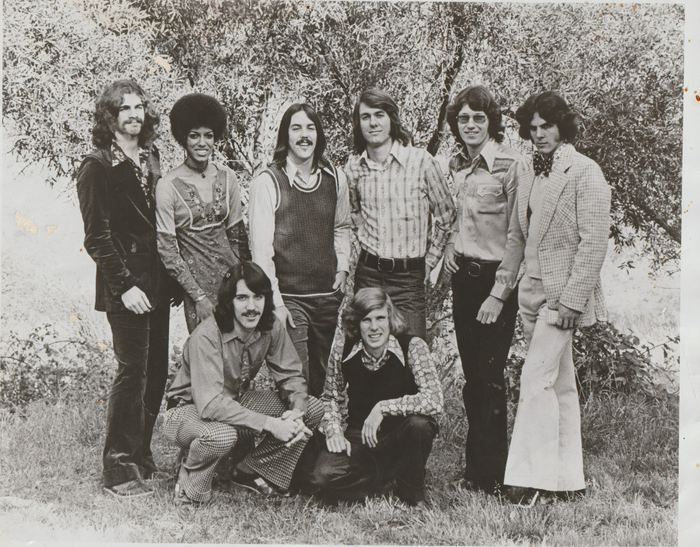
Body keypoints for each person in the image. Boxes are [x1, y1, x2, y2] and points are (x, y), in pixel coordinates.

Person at [501, 91, 611, 504]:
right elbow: (517, 234)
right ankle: (567, 481)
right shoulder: (527, 170)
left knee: (535, 381)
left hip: (561, 300)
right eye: (532, 128)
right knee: (560, 384)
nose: (538, 134)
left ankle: (534, 482)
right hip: (529, 292)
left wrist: (571, 302)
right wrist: (504, 289)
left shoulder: (585, 171)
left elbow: (594, 241)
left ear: (563, 126)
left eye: (546, 125)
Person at [76, 79, 170, 498]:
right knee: (132, 373)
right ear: (109, 118)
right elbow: (97, 237)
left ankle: (142, 458)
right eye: (124, 109)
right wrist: (126, 286)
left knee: (155, 375)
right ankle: (117, 468)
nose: (133, 115)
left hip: (158, 285)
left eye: (139, 107)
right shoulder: (96, 165)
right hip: (126, 289)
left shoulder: (151, 157)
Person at [163, 261, 324, 505]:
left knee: (311, 408)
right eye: (242, 298)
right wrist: (270, 424)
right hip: (188, 410)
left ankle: (248, 473)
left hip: (234, 401)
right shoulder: (207, 335)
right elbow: (210, 405)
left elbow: (291, 376)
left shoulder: (270, 326)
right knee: (222, 434)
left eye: (258, 297)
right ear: (229, 302)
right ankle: (188, 485)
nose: (251, 307)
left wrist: (296, 414)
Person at [442, 86, 526, 495]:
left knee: (490, 377)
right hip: (464, 279)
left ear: (491, 121)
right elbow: (451, 217)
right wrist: (448, 249)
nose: (471, 125)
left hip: (497, 282)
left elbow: (517, 235)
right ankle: (476, 470)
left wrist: (499, 293)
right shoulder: (456, 163)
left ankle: (494, 475)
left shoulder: (512, 164)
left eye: (478, 118)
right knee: (472, 377)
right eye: (463, 119)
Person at [249, 103, 351, 396]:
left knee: (324, 381)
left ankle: (315, 441)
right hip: (291, 301)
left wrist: (342, 267)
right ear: (285, 136)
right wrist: (276, 304)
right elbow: (261, 252)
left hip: (328, 299)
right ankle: (293, 440)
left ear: (318, 134)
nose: (304, 136)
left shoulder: (335, 177)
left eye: (311, 128)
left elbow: (341, 226)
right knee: (297, 382)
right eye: (296, 128)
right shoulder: (268, 182)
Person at [309, 288, 443, 507]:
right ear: (355, 323)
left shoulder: (412, 346)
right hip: (360, 435)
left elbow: (435, 399)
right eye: (366, 320)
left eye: (380, 318)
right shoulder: (343, 348)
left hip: (400, 435)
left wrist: (383, 408)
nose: (374, 327)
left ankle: (412, 492)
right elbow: (331, 396)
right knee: (322, 478)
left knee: (420, 426)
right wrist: (334, 431)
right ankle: (384, 480)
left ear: (390, 319)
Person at [344, 89, 457, 340]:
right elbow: (351, 214)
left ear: (391, 119)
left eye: (379, 115)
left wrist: (429, 261)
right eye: (365, 117)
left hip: (409, 280)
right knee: (367, 357)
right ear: (358, 123)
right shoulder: (353, 167)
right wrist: (360, 246)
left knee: (413, 353)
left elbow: (447, 215)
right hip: (369, 275)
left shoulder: (421, 162)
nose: (373, 122)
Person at [156, 93, 250, 333]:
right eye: (194, 136)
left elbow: (238, 238)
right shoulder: (168, 185)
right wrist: (198, 298)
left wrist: (245, 287)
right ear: (183, 138)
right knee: (207, 357)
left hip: (234, 285)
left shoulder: (228, 177)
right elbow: (168, 252)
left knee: (240, 357)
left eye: (208, 135)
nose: (202, 143)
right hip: (198, 292)